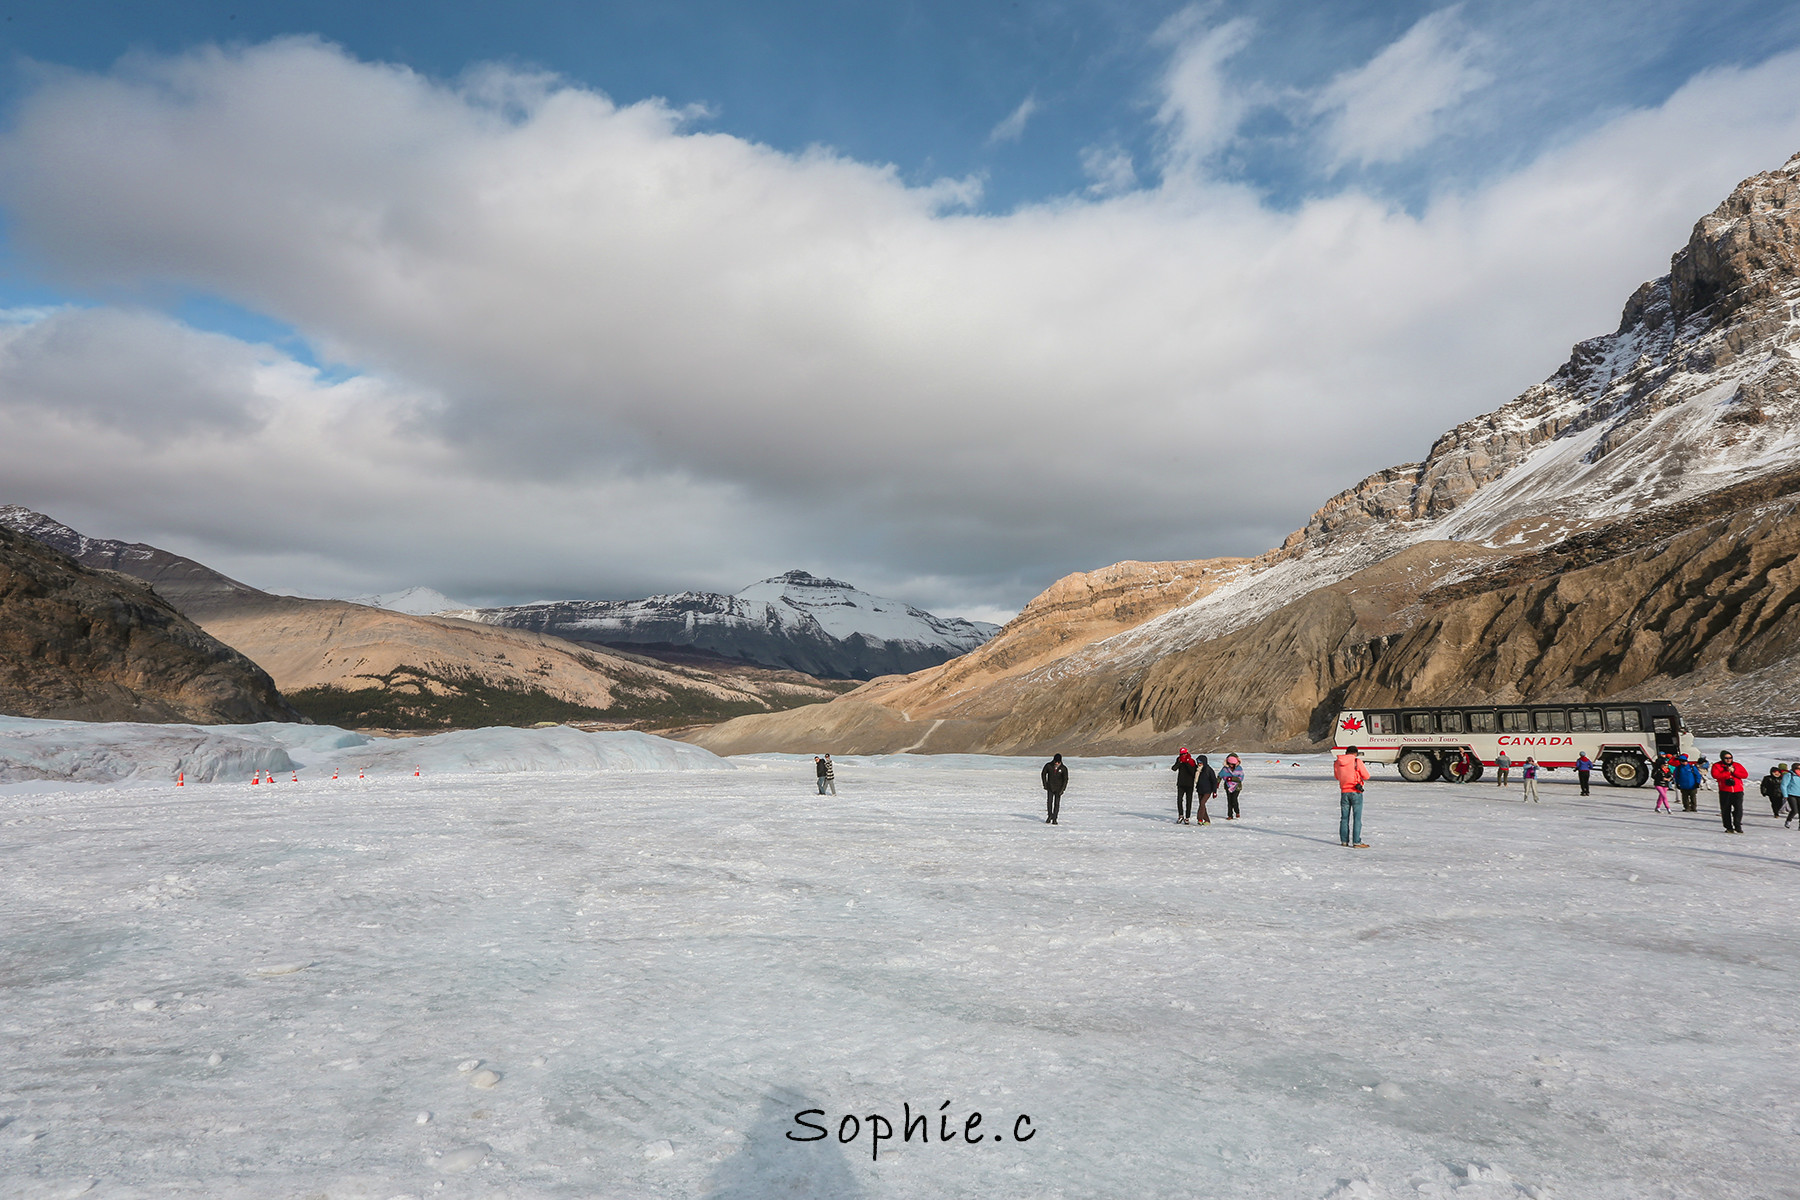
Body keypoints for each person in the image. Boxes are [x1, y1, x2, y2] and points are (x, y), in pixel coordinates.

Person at [1334, 747, 1371, 847]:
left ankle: (1344, 841)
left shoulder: (1337, 762)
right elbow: (1366, 776)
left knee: (1344, 818)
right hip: (1356, 792)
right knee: (1357, 818)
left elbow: (1337, 776)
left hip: (1344, 792)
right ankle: (1356, 842)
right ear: (1355, 753)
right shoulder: (1356, 761)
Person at [1711, 750, 1747, 834]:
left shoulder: (1737, 765)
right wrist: (1727, 772)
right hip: (1725, 790)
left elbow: (1745, 775)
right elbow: (1716, 775)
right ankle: (1728, 827)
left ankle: (1737, 825)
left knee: (1738, 809)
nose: (1728, 760)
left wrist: (1734, 771)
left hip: (1738, 790)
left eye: (1730, 758)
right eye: (1726, 758)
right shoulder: (1717, 765)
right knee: (1726, 809)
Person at [1171, 749, 1198, 824]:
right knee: (1179, 800)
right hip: (1181, 784)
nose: (1183, 755)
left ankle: (1187, 817)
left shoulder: (1191, 761)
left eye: (1184, 754)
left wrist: (1187, 763)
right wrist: (1180, 762)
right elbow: (1174, 768)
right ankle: (1181, 815)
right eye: (1182, 754)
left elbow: (1192, 772)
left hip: (1189, 784)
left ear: (1187, 753)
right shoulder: (1179, 760)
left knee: (1189, 801)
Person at [1041, 753, 1068, 825]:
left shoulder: (1063, 768)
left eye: (1058, 762)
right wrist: (1045, 784)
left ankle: (1055, 818)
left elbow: (1065, 780)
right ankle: (1050, 816)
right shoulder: (1048, 766)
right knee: (1049, 802)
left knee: (1057, 804)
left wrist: (1062, 789)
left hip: (1059, 788)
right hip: (1050, 787)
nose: (1057, 763)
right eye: (1055, 761)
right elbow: (1043, 774)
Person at [1194, 754, 1218, 825]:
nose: (1199, 763)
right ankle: (1207, 820)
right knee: (1202, 805)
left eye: (1200, 762)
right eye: (1198, 762)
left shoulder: (1208, 770)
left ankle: (1200, 819)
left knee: (1202, 804)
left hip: (1207, 791)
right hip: (1200, 790)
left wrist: (1214, 791)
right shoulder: (1197, 770)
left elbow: (1214, 781)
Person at [1221, 753, 1245, 819]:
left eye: (1232, 764)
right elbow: (1220, 775)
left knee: (1234, 799)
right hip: (1228, 787)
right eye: (1230, 764)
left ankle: (1237, 811)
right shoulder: (1225, 769)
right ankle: (1230, 815)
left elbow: (1241, 778)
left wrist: (1231, 779)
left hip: (1237, 787)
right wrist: (1216, 784)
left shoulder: (1239, 768)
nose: (1231, 765)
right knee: (1229, 800)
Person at [1784, 763, 1800, 828]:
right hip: (1791, 794)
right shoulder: (1789, 775)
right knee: (1795, 810)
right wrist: (1785, 794)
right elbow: (1783, 785)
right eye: (1797, 768)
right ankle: (1788, 821)